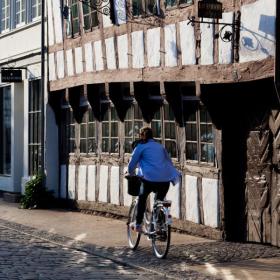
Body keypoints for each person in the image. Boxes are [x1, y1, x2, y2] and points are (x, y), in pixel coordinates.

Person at [128, 126, 181, 233]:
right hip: (165, 180)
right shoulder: (160, 147)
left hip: (149, 180)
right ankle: (160, 226)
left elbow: (131, 165)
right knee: (159, 201)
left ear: (141, 136)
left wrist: (131, 173)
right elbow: (168, 162)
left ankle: (138, 224)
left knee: (142, 198)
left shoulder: (140, 147)